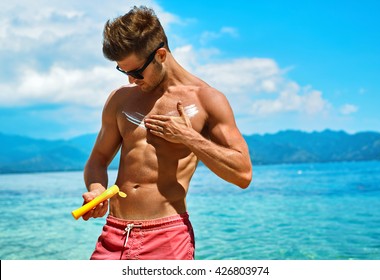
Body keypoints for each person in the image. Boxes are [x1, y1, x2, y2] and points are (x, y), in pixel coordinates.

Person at [81, 5, 252, 260]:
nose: (130, 80)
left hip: (167, 237)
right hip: (114, 234)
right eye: (123, 71)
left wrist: (189, 137)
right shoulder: (120, 99)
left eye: (136, 72)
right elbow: (98, 160)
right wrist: (96, 190)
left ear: (160, 55)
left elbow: (243, 174)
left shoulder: (207, 100)